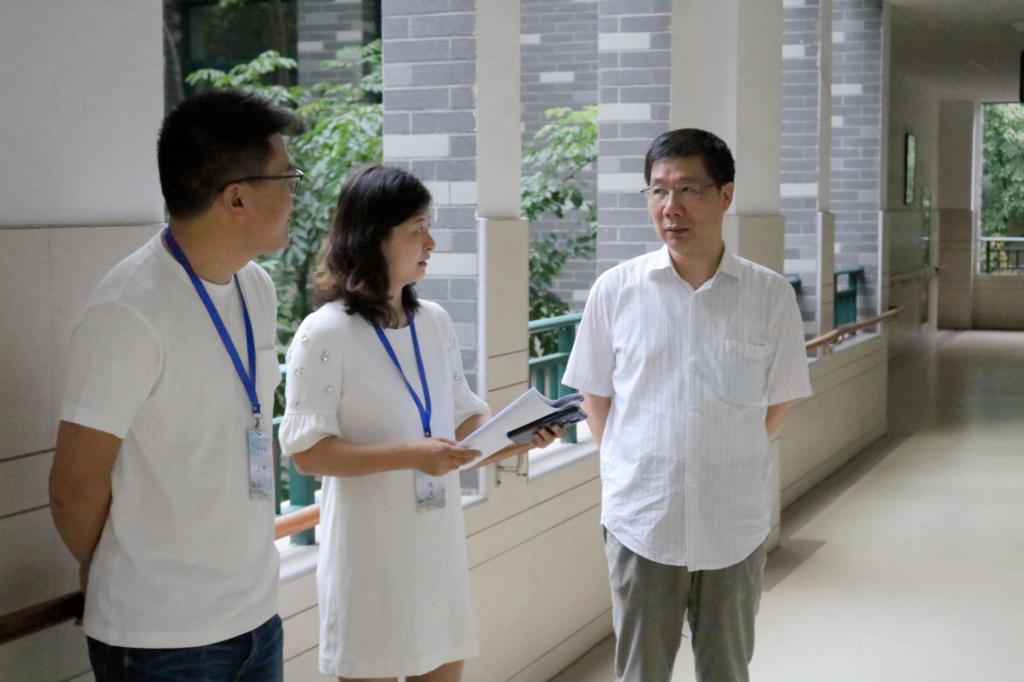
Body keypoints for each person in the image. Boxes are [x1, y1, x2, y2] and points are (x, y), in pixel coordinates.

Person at [48, 89, 301, 681]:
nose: (295, 194)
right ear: (236, 197)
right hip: (161, 640)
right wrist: (123, 571)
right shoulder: (128, 309)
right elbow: (73, 484)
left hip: (256, 618)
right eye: (287, 179)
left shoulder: (255, 288)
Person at [278, 164, 561, 682]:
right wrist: (412, 455)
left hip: (436, 551)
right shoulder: (324, 333)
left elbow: (465, 420)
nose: (430, 242)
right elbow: (306, 453)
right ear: (372, 237)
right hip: (370, 561)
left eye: (428, 227)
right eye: (416, 230)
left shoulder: (434, 321)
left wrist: (517, 436)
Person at [562, 128, 813, 682]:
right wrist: (634, 463)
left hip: (733, 524)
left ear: (725, 196)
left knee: (726, 670)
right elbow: (595, 396)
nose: (670, 207)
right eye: (658, 190)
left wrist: (722, 450)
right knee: (641, 672)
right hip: (642, 521)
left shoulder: (768, 295)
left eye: (688, 190)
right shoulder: (615, 291)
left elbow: (779, 401)